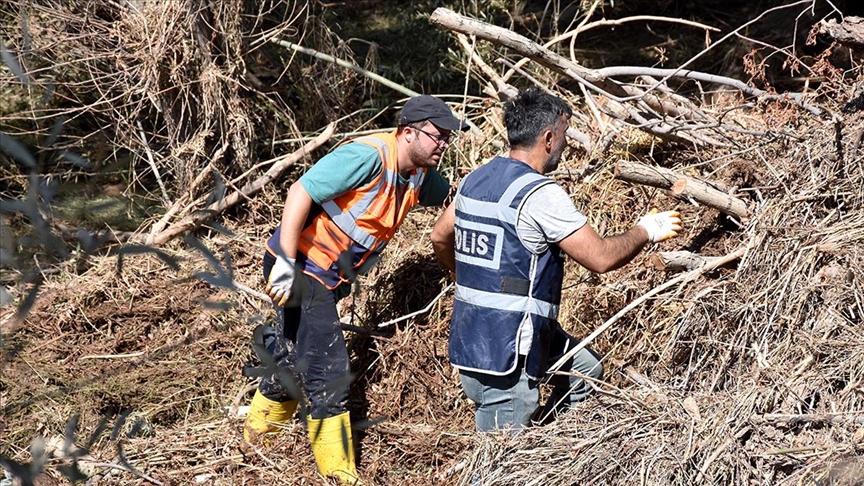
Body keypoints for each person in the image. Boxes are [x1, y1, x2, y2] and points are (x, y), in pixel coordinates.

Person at [244, 95, 468, 483]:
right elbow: (300, 191)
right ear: (408, 132)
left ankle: (256, 438)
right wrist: (284, 263)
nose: (444, 144)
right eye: (438, 135)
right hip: (301, 266)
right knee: (328, 369)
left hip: (326, 276)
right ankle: (338, 473)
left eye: (448, 137)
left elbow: (447, 195)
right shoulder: (368, 156)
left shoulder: (419, 172)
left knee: (294, 355)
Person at [430, 89, 682, 433]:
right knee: (500, 455)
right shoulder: (540, 194)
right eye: (564, 134)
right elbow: (600, 257)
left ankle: (546, 443)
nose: (566, 143)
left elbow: (439, 236)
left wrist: (469, 275)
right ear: (548, 138)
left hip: (476, 334)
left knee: (585, 370)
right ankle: (525, 453)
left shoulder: (477, 179)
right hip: (508, 352)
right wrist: (645, 230)